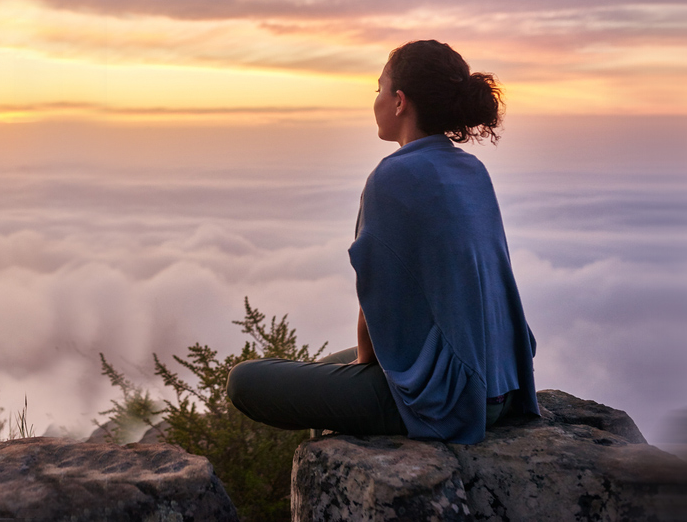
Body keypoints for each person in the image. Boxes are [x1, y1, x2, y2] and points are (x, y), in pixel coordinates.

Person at [227, 40, 538, 444]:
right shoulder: (470, 169)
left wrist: (364, 367)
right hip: (502, 383)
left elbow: (377, 301)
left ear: (399, 101)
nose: (375, 99)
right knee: (324, 367)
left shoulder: (393, 176)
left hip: (453, 400)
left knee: (246, 381)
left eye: (379, 89)